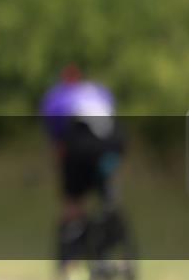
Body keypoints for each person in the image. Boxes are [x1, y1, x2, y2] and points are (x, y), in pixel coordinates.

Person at [40, 64, 126, 276]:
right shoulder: (99, 91)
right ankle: (112, 224)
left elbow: (57, 139)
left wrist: (60, 160)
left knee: (73, 201)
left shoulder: (57, 97)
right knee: (107, 192)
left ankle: (68, 260)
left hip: (79, 148)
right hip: (113, 145)